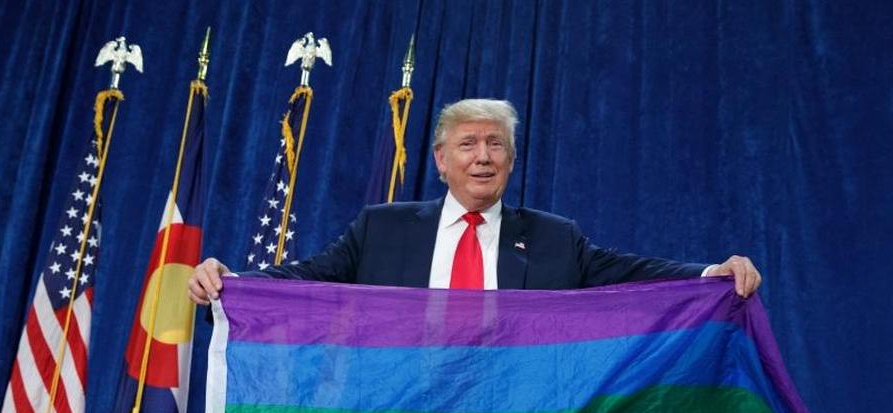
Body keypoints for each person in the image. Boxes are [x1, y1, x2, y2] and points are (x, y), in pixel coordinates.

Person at [188, 99, 760, 304]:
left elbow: (630, 272)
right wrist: (232, 282)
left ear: (511, 160)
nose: (482, 157)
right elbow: (308, 278)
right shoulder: (382, 230)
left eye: (495, 144)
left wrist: (709, 273)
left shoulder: (554, 238)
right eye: (468, 145)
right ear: (442, 160)